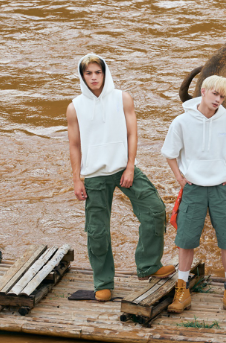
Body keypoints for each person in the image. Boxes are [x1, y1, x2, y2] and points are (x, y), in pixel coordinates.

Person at [66, 53, 172, 301]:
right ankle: (103, 282)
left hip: (124, 168)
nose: (94, 77)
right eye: (88, 73)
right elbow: (74, 145)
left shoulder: (122, 98)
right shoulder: (75, 107)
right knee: (97, 231)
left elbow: (132, 133)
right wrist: (76, 178)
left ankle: (149, 265)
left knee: (155, 209)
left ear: (105, 73)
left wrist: (130, 166)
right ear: (82, 76)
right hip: (94, 175)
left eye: (98, 72)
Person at [161, 75, 226, 314]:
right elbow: (170, 152)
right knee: (186, 240)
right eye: (215, 94)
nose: (218, 100)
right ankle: (182, 289)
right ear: (203, 91)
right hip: (193, 188)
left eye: (222, 97)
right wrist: (179, 177)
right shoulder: (182, 121)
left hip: (221, 187)